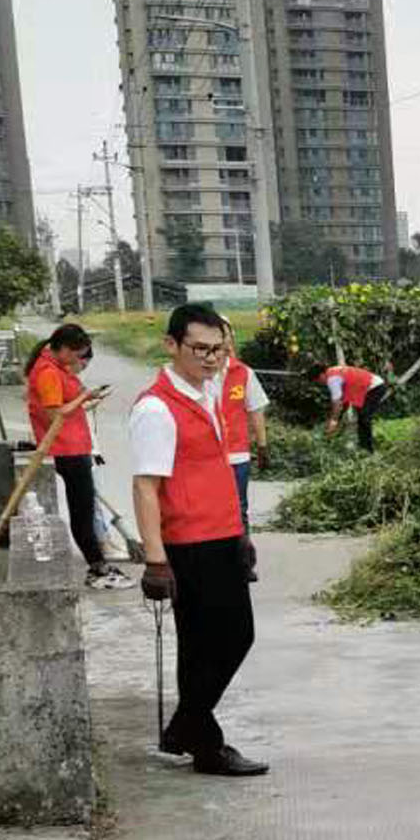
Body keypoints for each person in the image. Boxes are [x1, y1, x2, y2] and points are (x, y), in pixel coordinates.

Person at [129, 304, 267, 778]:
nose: (211, 360)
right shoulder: (155, 408)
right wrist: (155, 560)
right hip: (190, 543)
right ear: (172, 345)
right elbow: (146, 486)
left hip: (221, 534)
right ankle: (193, 729)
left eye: (218, 351)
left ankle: (195, 739)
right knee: (231, 637)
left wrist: (241, 533)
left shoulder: (206, 392)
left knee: (203, 645)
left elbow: (216, 470)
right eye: (200, 350)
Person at [22, 323, 130, 590]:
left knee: (84, 508)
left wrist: (87, 401)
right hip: (66, 448)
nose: (79, 360)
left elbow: (64, 408)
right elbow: (54, 414)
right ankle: (97, 568)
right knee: (82, 511)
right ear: (66, 349)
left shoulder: (56, 368)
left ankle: (98, 564)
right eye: (78, 354)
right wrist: (84, 395)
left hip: (74, 445)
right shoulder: (47, 372)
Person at [215, 332, 270, 526]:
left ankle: (242, 554)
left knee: (239, 509)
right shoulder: (197, 373)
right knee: (212, 511)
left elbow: (256, 410)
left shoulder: (243, 373)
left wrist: (262, 446)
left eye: (226, 335)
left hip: (237, 454)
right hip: (207, 457)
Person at [323, 361, 388, 452]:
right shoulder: (333, 371)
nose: (322, 383)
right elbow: (343, 403)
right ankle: (362, 446)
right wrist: (337, 420)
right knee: (361, 417)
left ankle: (368, 450)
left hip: (374, 387)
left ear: (321, 375)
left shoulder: (332, 379)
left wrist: (334, 421)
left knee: (364, 417)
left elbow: (337, 403)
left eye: (319, 380)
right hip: (367, 387)